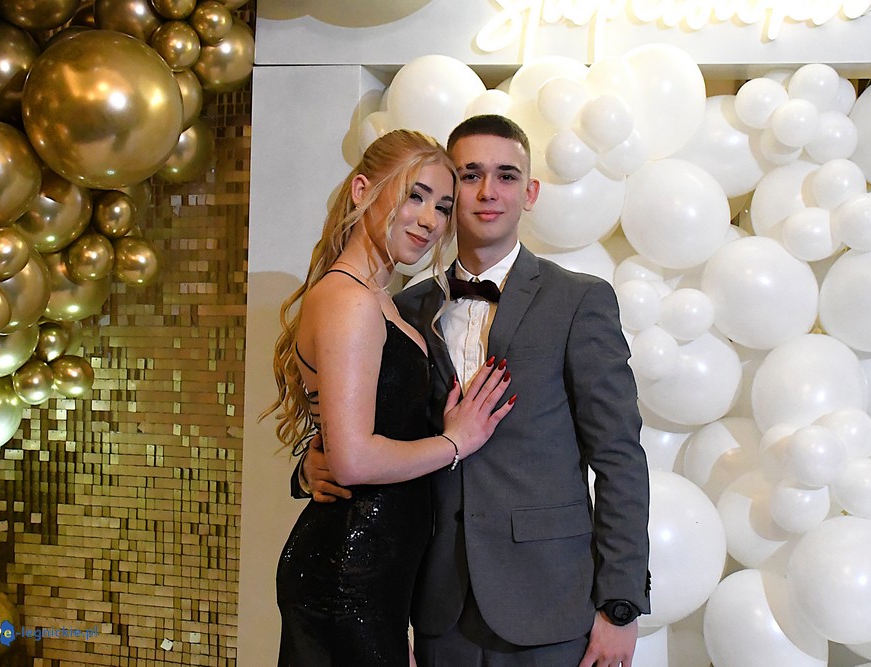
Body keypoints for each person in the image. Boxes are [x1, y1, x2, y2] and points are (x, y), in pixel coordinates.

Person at [305, 114, 651, 666]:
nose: (489, 191)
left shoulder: (579, 301)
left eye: (507, 176)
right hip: (434, 607)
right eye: (470, 175)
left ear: (530, 193)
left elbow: (620, 458)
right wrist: (313, 464)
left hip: (550, 604)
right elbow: (373, 427)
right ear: (451, 188)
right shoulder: (402, 307)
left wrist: (620, 605)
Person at [262, 128, 516, 667]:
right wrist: (455, 442)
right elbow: (353, 460)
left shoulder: (379, 298)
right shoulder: (350, 300)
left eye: (442, 206)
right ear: (362, 191)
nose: (429, 220)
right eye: (413, 196)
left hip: (374, 575)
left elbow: (363, 429)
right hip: (346, 576)